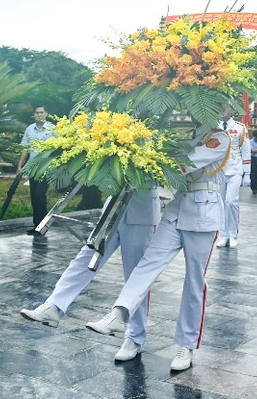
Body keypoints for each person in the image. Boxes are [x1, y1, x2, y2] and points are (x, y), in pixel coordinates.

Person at [85, 126, 230, 372]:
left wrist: (144, 159)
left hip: (203, 213)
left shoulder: (219, 137)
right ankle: (119, 314)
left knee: (194, 281)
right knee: (147, 263)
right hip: (177, 209)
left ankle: (186, 345)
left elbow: (183, 166)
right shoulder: (186, 134)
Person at [21, 189, 160, 361]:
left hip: (141, 213)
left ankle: (134, 337)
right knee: (85, 258)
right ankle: (54, 306)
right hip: (113, 209)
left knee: (136, 276)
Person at [17, 105, 56, 234]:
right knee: (34, 196)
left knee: (40, 194)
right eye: (37, 113)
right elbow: (25, 148)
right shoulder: (29, 129)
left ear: (46, 113)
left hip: (46, 168)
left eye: (42, 112)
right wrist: (20, 165)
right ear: (34, 114)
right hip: (33, 168)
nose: (39, 115)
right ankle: (37, 225)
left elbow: (58, 148)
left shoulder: (52, 129)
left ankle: (43, 224)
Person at [216, 111, 251, 248]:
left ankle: (233, 234)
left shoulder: (240, 127)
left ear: (231, 109)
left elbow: (246, 150)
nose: (223, 110)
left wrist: (247, 173)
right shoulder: (214, 126)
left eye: (226, 106)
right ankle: (223, 235)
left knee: (231, 202)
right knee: (221, 203)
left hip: (235, 169)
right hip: (219, 170)